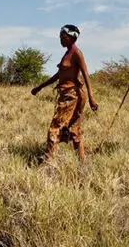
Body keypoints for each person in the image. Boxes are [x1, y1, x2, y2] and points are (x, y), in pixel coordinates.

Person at [31, 25, 98, 162]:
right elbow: (59, 75)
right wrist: (40, 87)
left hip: (72, 96)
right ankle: (82, 162)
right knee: (73, 129)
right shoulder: (67, 53)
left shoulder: (76, 53)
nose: (61, 40)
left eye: (64, 37)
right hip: (68, 94)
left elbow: (85, 74)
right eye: (60, 37)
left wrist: (91, 98)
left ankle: (47, 160)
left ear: (72, 38)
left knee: (56, 127)